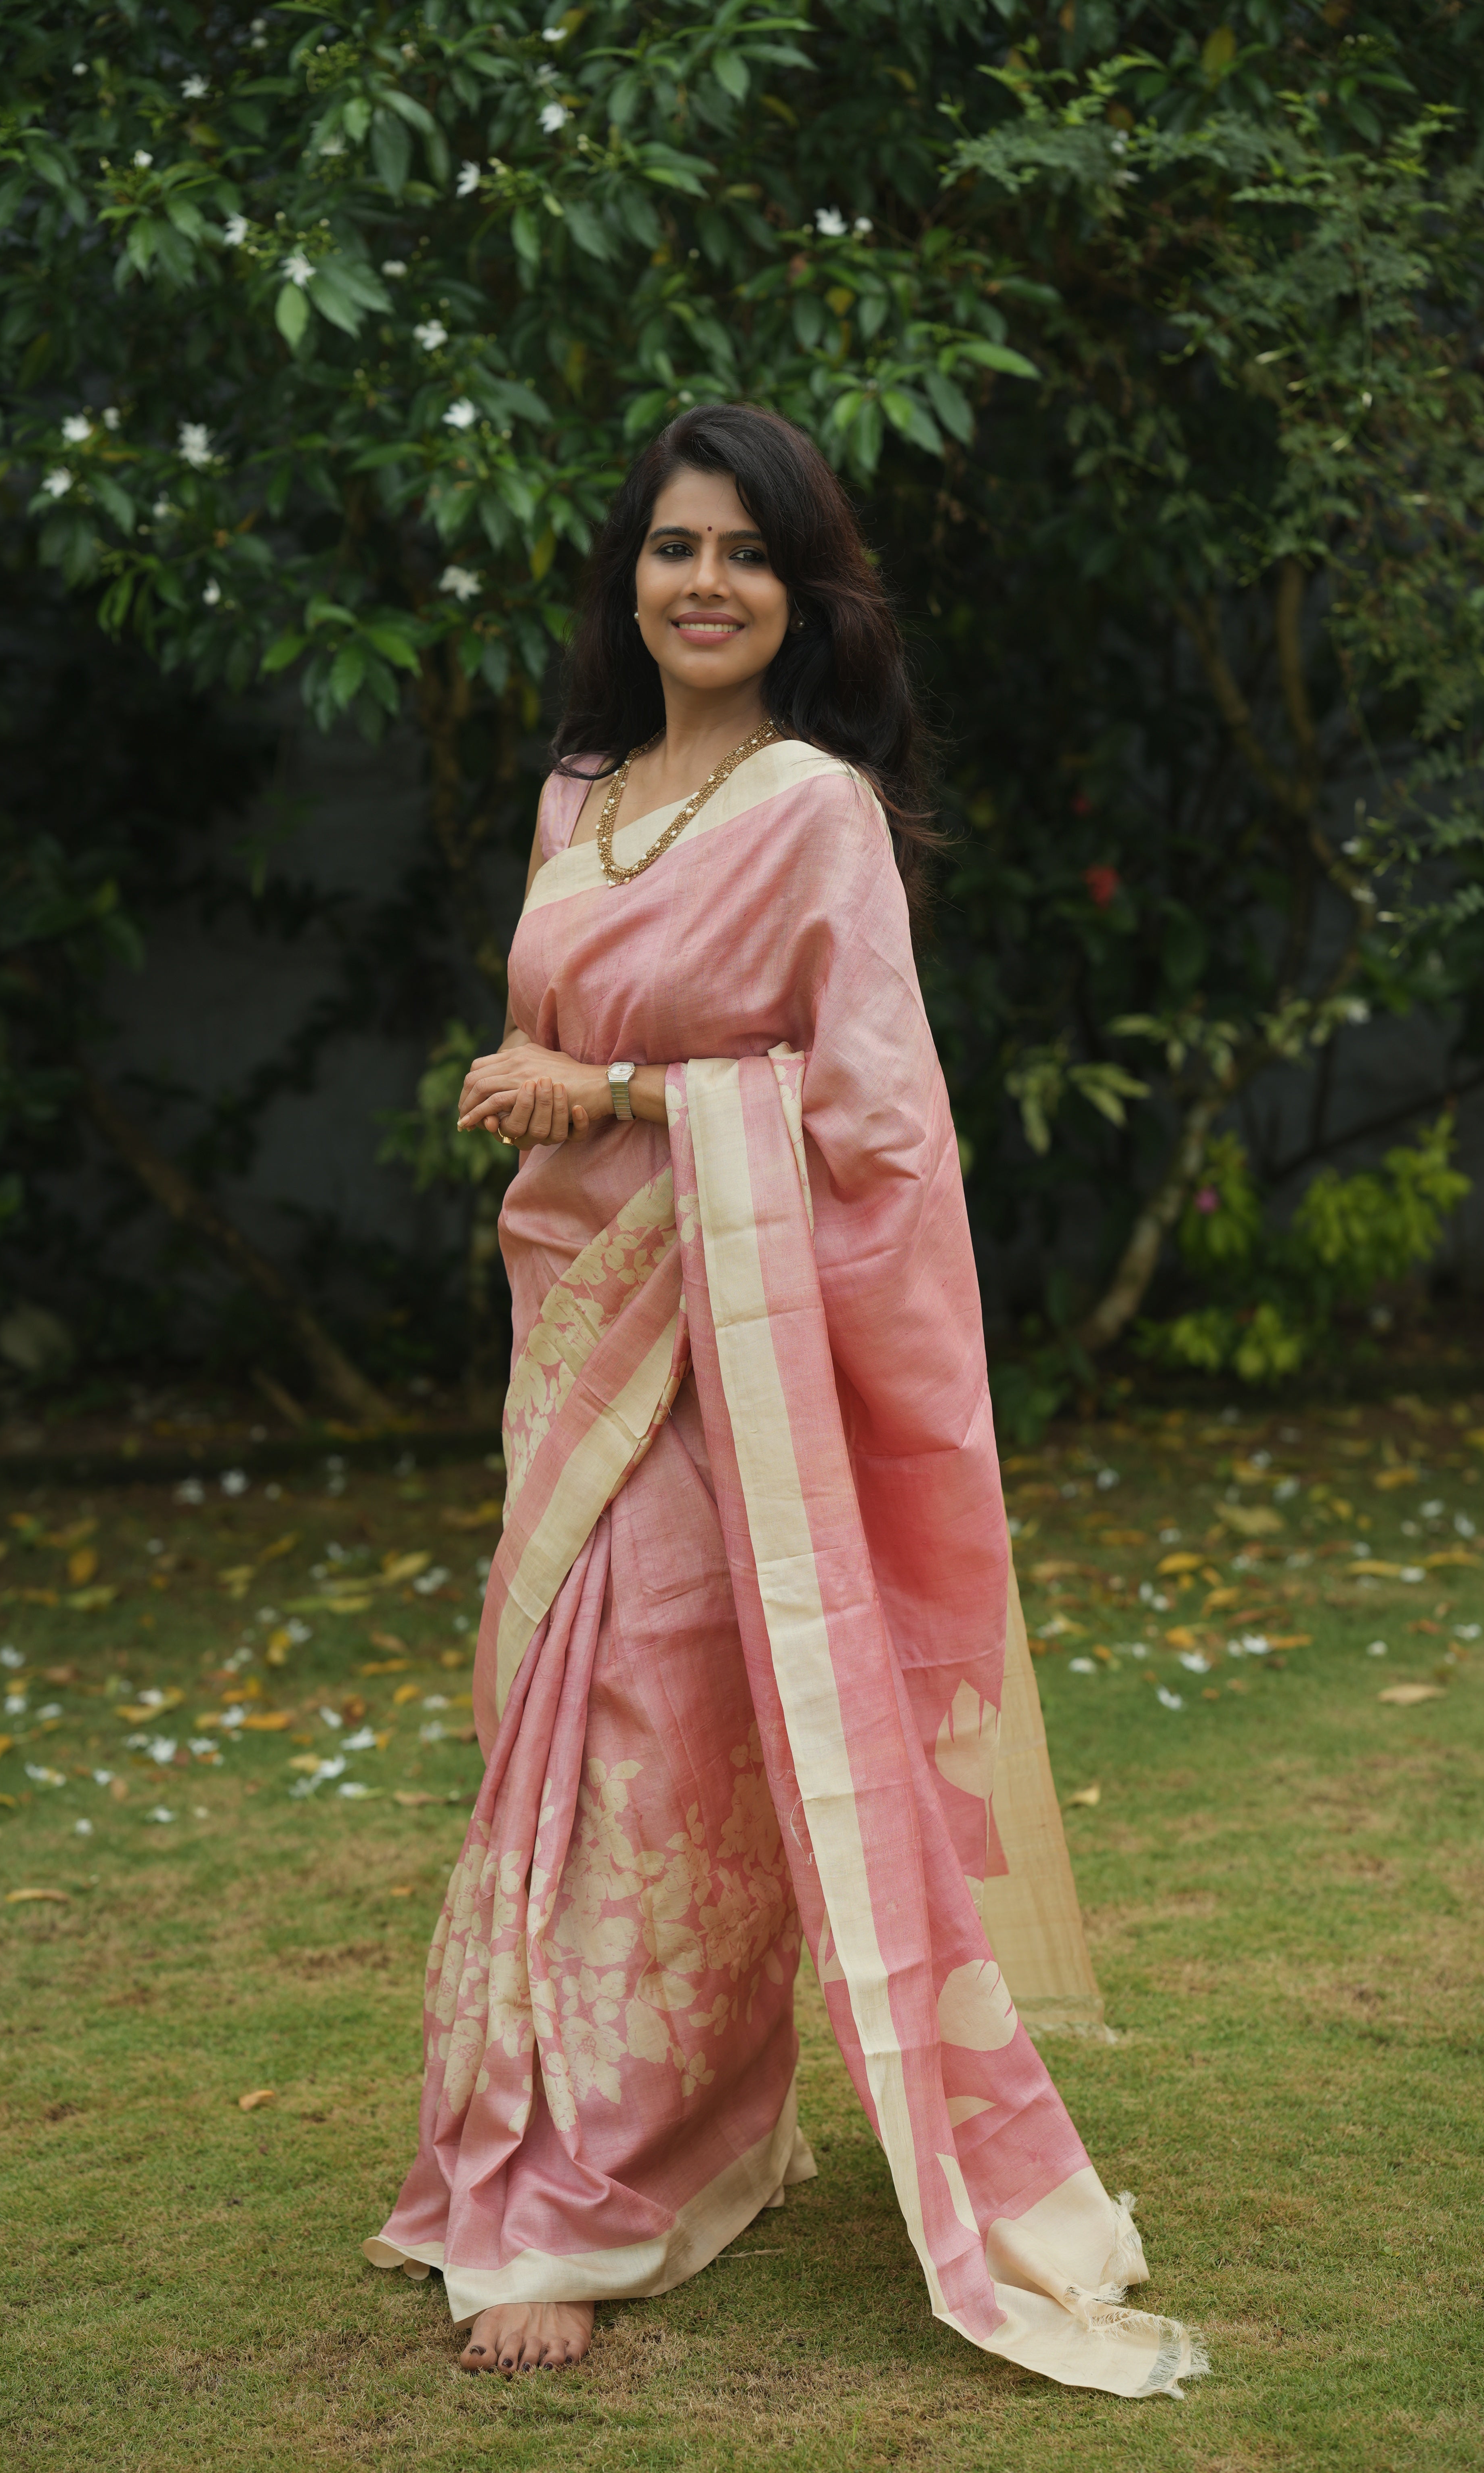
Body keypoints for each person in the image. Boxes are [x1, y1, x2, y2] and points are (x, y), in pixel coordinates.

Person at [364, 403, 1203, 2400]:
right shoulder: (580, 794)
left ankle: (583, 2199)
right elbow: (562, 1011)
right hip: (575, 1323)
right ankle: (659, 2132)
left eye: (748, 552)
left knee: (660, 1737)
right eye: (674, 548)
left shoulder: (815, 807)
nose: (707, 583)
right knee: (556, 1730)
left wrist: (630, 1093)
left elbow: (875, 1118)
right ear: (628, 580)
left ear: (800, 589)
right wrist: (528, 1063)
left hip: (730, 1342)